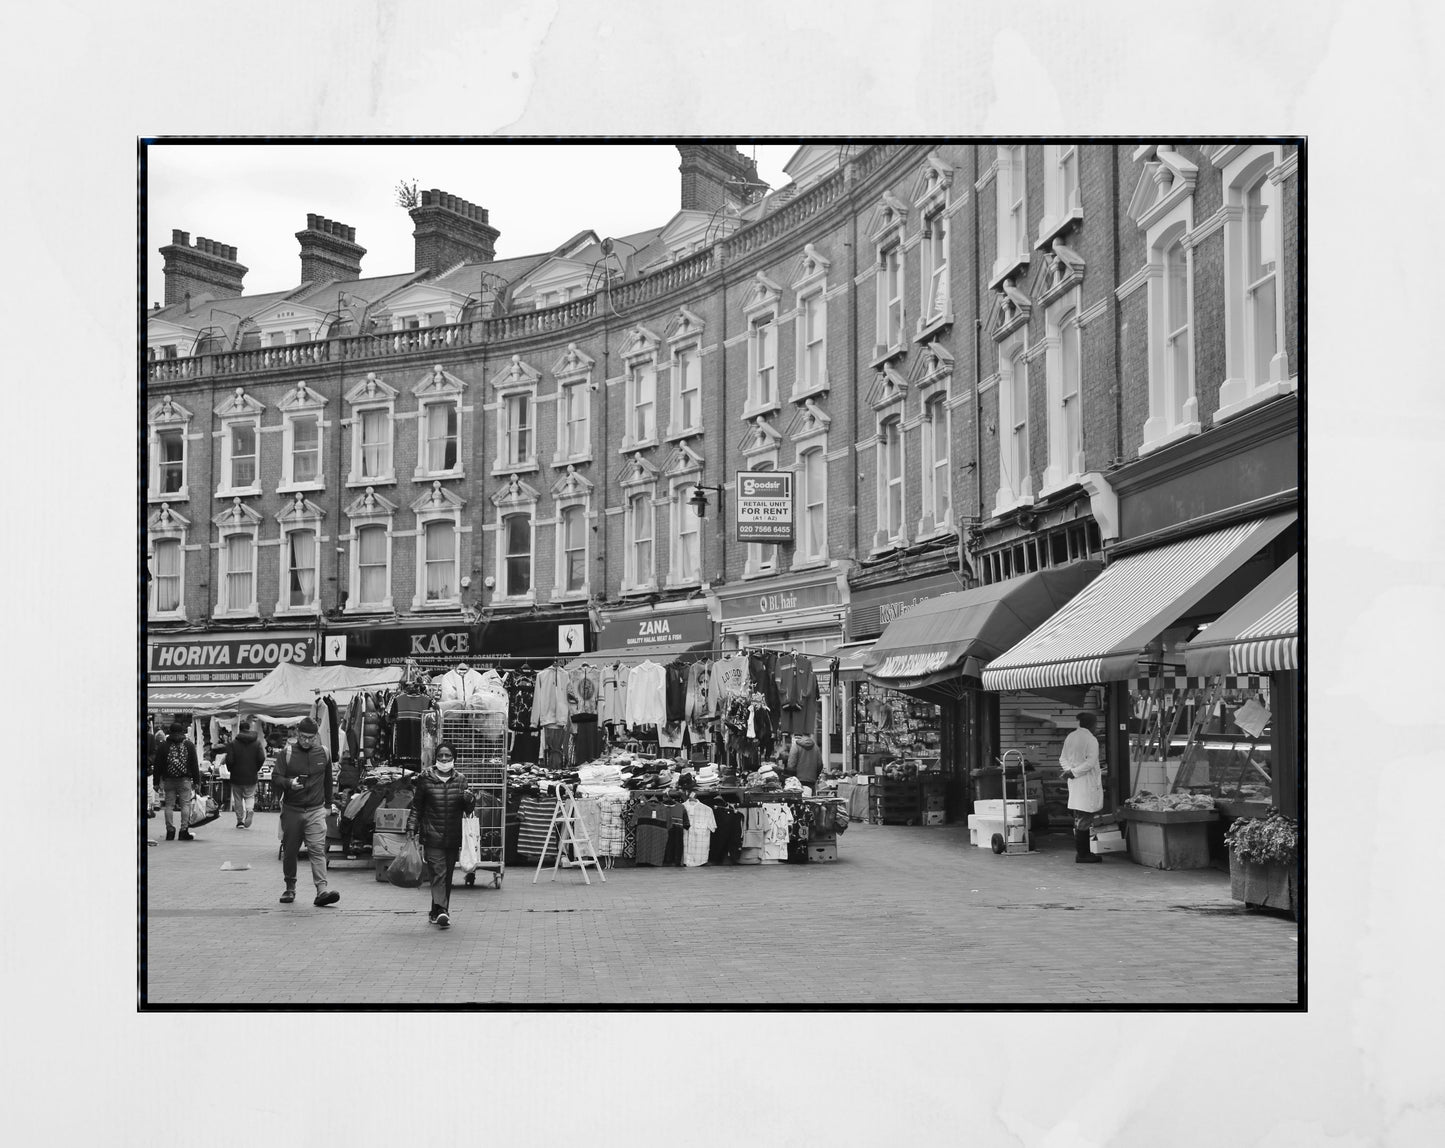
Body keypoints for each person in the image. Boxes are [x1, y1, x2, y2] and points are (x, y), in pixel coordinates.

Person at [406, 741, 475, 929]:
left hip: (452, 835)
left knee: (448, 875)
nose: (444, 759)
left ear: (454, 758)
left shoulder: (461, 779)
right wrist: (411, 827)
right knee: (438, 873)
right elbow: (417, 806)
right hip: (432, 835)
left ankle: (435, 911)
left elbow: (468, 809)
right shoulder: (425, 778)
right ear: (435, 758)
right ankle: (443, 910)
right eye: (441, 755)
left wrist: (470, 800)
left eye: (448, 756)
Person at [273, 717, 340, 907]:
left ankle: (322, 891)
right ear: (297, 734)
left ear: (317, 736)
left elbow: (328, 781)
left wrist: (328, 804)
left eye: (311, 737)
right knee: (290, 850)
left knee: (317, 849)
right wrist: (289, 783)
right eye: (303, 737)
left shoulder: (324, 753)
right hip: (292, 809)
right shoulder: (286, 753)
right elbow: (276, 777)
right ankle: (290, 887)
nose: (307, 741)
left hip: (316, 809)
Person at [1059, 712, 1104, 864]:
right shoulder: (1091, 739)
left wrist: (1069, 771)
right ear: (1092, 724)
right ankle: (1083, 854)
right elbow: (1090, 763)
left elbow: (1062, 758)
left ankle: (1083, 852)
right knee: (1084, 818)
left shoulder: (1070, 736)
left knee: (1079, 817)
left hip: (1075, 783)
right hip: (1086, 783)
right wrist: (1073, 772)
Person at [152, 721, 202, 841]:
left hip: (168, 780)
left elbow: (157, 765)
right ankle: (183, 831)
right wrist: (197, 781)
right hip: (185, 780)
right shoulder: (189, 745)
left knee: (169, 805)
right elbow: (194, 764)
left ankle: (170, 831)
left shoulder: (164, 746)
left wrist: (156, 782)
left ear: (170, 732)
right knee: (185, 804)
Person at [226, 719, 266, 829]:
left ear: (240, 729)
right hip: (251, 774)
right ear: (249, 729)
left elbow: (229, 760)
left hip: (236, 775)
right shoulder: (257, 742)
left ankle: (240, 821)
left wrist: (231, 769)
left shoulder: (233, 743)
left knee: (238, 798)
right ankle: (249, 810)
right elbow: (262, 757)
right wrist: (256, 768)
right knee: (250, 795)